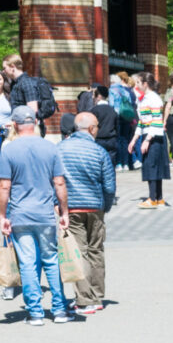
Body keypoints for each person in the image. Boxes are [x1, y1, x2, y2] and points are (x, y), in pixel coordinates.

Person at [0, 106, 72, 326]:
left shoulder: (9, 150)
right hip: (45, 213)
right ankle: (59, 309)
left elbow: (3, 186)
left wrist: (2, 216)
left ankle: (35, 312)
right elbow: (59, 182)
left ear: (15, 124)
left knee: (28, 263)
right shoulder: (50, 148)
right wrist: (64, 211)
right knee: (51, 260)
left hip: (20, 213)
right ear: (35, 122)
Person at [59, 112, 115, 315]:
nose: (98, 129)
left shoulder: (61, 149)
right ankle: (97, 295)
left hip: (72, 207)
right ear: (91, 129)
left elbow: (56, 179)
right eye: (97, 126)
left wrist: (58, 204)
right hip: (95, 207)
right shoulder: (99, 151)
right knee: (96, 251)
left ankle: (85, 299)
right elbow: (109, 185)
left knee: (79, 252)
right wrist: (105, 206)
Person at [129, 74, 169, 208]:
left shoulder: (153, 99)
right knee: (152, 166)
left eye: (138, 83)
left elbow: (157, 122)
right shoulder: (143, 99)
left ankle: (154, 198)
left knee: (152, 166)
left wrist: (147, 140)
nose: (136, 86)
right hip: (148, 135)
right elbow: (142, 122)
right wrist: (134, 140)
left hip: (154, 137)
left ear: (145, 84)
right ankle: (157, 197)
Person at [3, 54, 57, 133]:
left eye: (4, 68)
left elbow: (32, 111)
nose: (3, 71)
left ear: (12, 67)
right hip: (20, 129)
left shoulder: (26, 83)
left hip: (29, 131)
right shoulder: (15, 84)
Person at [109, 74, 138, 168]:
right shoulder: (125, 91)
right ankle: (125, 163)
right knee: (125, 140)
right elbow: (129, 103)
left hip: (117, 117)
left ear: (112, 82)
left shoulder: (111, 90)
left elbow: (111, 105)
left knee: (117, 140)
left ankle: (119, 163)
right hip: (126, 117)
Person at [87, 85, 119, 160]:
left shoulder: (94, 110)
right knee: (111, 163)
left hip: (99, 139)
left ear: (99, 96)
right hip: (111, 139)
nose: (93, 97)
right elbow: (117, 126)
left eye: (94, 95)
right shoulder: (112, 110)